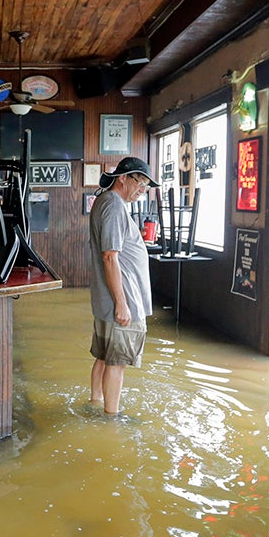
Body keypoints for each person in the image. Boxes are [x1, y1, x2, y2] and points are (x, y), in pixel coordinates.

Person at [88, 156, 159, 416]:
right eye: (140, 182)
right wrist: (122, 304)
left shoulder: (107, 203)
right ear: (123, 178)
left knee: (104, 357)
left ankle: (95, 404)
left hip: (108, 301)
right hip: (121, 301)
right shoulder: (114, 206)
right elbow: (110, 256)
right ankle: (111, 418)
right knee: (117, 363)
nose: (143, 189)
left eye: (146, 186)